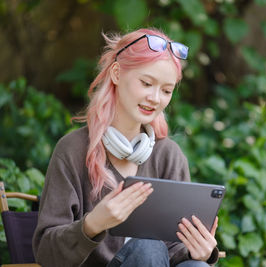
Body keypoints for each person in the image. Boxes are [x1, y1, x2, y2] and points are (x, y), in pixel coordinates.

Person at [32, 28, 220, 267]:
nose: (155, 98)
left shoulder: (168, 156)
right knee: (148, 248)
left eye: (166, 90)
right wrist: (93, 224)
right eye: (146, 83)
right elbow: (47, 254)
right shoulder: (72, 150)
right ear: (117, 73)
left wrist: (200, 251)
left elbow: (173, 252)